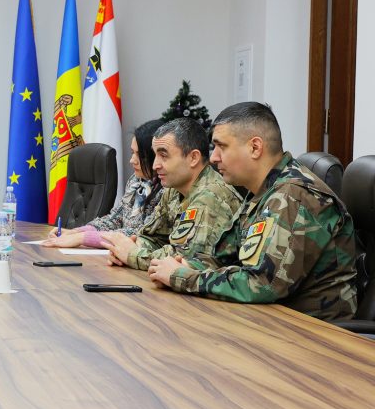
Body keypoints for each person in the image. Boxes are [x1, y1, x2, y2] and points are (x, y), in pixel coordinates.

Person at [147, 102, 357, 322]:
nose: (214, 157)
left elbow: (263, 284)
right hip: (269, 319)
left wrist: (183, 277)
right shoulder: (263, 191)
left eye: (221, 147)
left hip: (312, 331)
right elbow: (224, 256)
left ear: (255, 147)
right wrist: (186, 266)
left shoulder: (294, 195)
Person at [99, 118, 242, 270]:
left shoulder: (210, 197)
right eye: (155, 155)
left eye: (164, 156)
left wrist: (131, 254)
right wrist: (127, 248)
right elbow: (153, 237)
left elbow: (183, 260)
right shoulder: (173, 189)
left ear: (193, 158)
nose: (155, 165)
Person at [44, 119, 165, 249]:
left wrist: (82, 238)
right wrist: (75, 232)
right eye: (132, 153)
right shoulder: (135, 181)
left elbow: (140, 234)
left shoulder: (166, 190)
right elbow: (115, 218)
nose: (132, 160)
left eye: (141, 156)